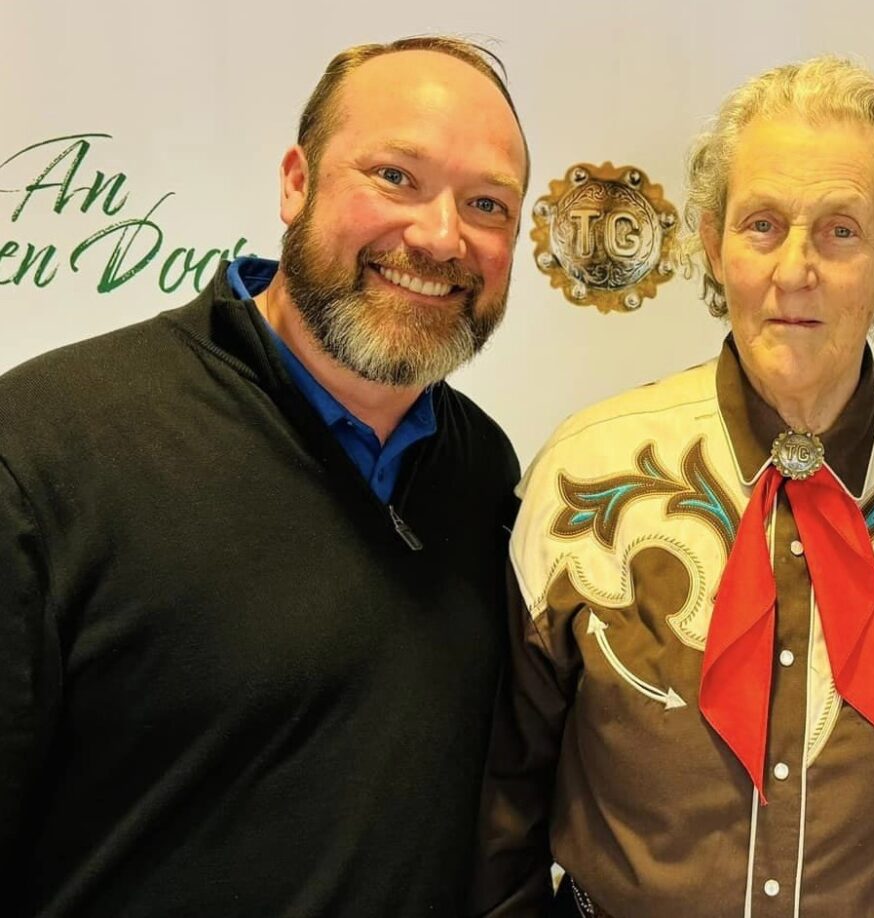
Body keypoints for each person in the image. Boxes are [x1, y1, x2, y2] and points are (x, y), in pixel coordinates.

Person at [470, 57, 874, 917]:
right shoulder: (584, 473)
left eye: (841, 230)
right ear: (714, 241)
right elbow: (504, 794)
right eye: (763, 224)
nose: (793, 270)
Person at [0, 36, 528, 917]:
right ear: (296, 182)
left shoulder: (483, 472)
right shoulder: (46, 450)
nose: (441, 237)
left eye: (486, 203)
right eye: (396, 176)